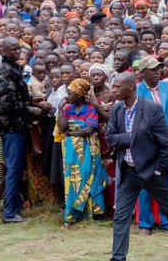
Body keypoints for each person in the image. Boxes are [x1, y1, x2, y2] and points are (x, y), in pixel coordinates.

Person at [106, 72, 168, 261]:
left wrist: (158, 170)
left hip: (151, 171)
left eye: (116, 86)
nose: (112, 90)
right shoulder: (116, 109)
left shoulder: (151, 109)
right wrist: (135, 136)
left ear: (130, 87)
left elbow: (167, 143)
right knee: (121, 217)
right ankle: (118, 258)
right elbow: (110, 138)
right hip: (128, 171)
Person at [0, 36, 45, 224]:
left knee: (16, 168)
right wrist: (30, 109)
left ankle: (15, 207)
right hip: (11, 126)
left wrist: (31, 100)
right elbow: (8, 103)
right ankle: (9, 212)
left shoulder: (13, 68)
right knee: (13, 169)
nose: (17, 52)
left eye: (19, 49)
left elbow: (16, 96)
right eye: (13, 49)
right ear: (4, 50)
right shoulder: (4, 71)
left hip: (17, 124)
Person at [134, 55, 168, 234]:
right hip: (146, 146)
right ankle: (145, 224)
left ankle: (166, 222)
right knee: (145, 185)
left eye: (159, 69)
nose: (158, 72)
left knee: (167, 185)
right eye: (153, 70)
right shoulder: (136, 91)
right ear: (142, 73)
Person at [56, 78, 105, 227]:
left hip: (88, 148)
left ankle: (92, 214)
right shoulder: (68, 108)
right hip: (71, 151)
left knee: (88, 176)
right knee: (72, 179)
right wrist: (60, 109)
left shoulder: (90, 108)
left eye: (71, 93)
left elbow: (89, 129)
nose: (68, 96)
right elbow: (62, 128)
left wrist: (71, 133)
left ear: (79, 94)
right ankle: (73, 214)